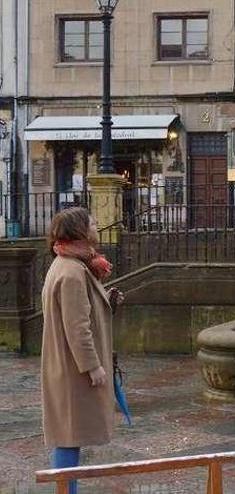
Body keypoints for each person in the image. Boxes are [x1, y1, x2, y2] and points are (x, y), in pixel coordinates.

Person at [41, 207, 123, 494]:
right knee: (68, 434)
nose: (96, 225)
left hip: (65, 366)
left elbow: (80, 313)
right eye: (91, 223)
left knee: (68, 432)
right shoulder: (73, 272)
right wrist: (93, 366)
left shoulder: (69, 266)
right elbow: (77, 327)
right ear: (79, 232)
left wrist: (107, 299)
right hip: (72, 369)